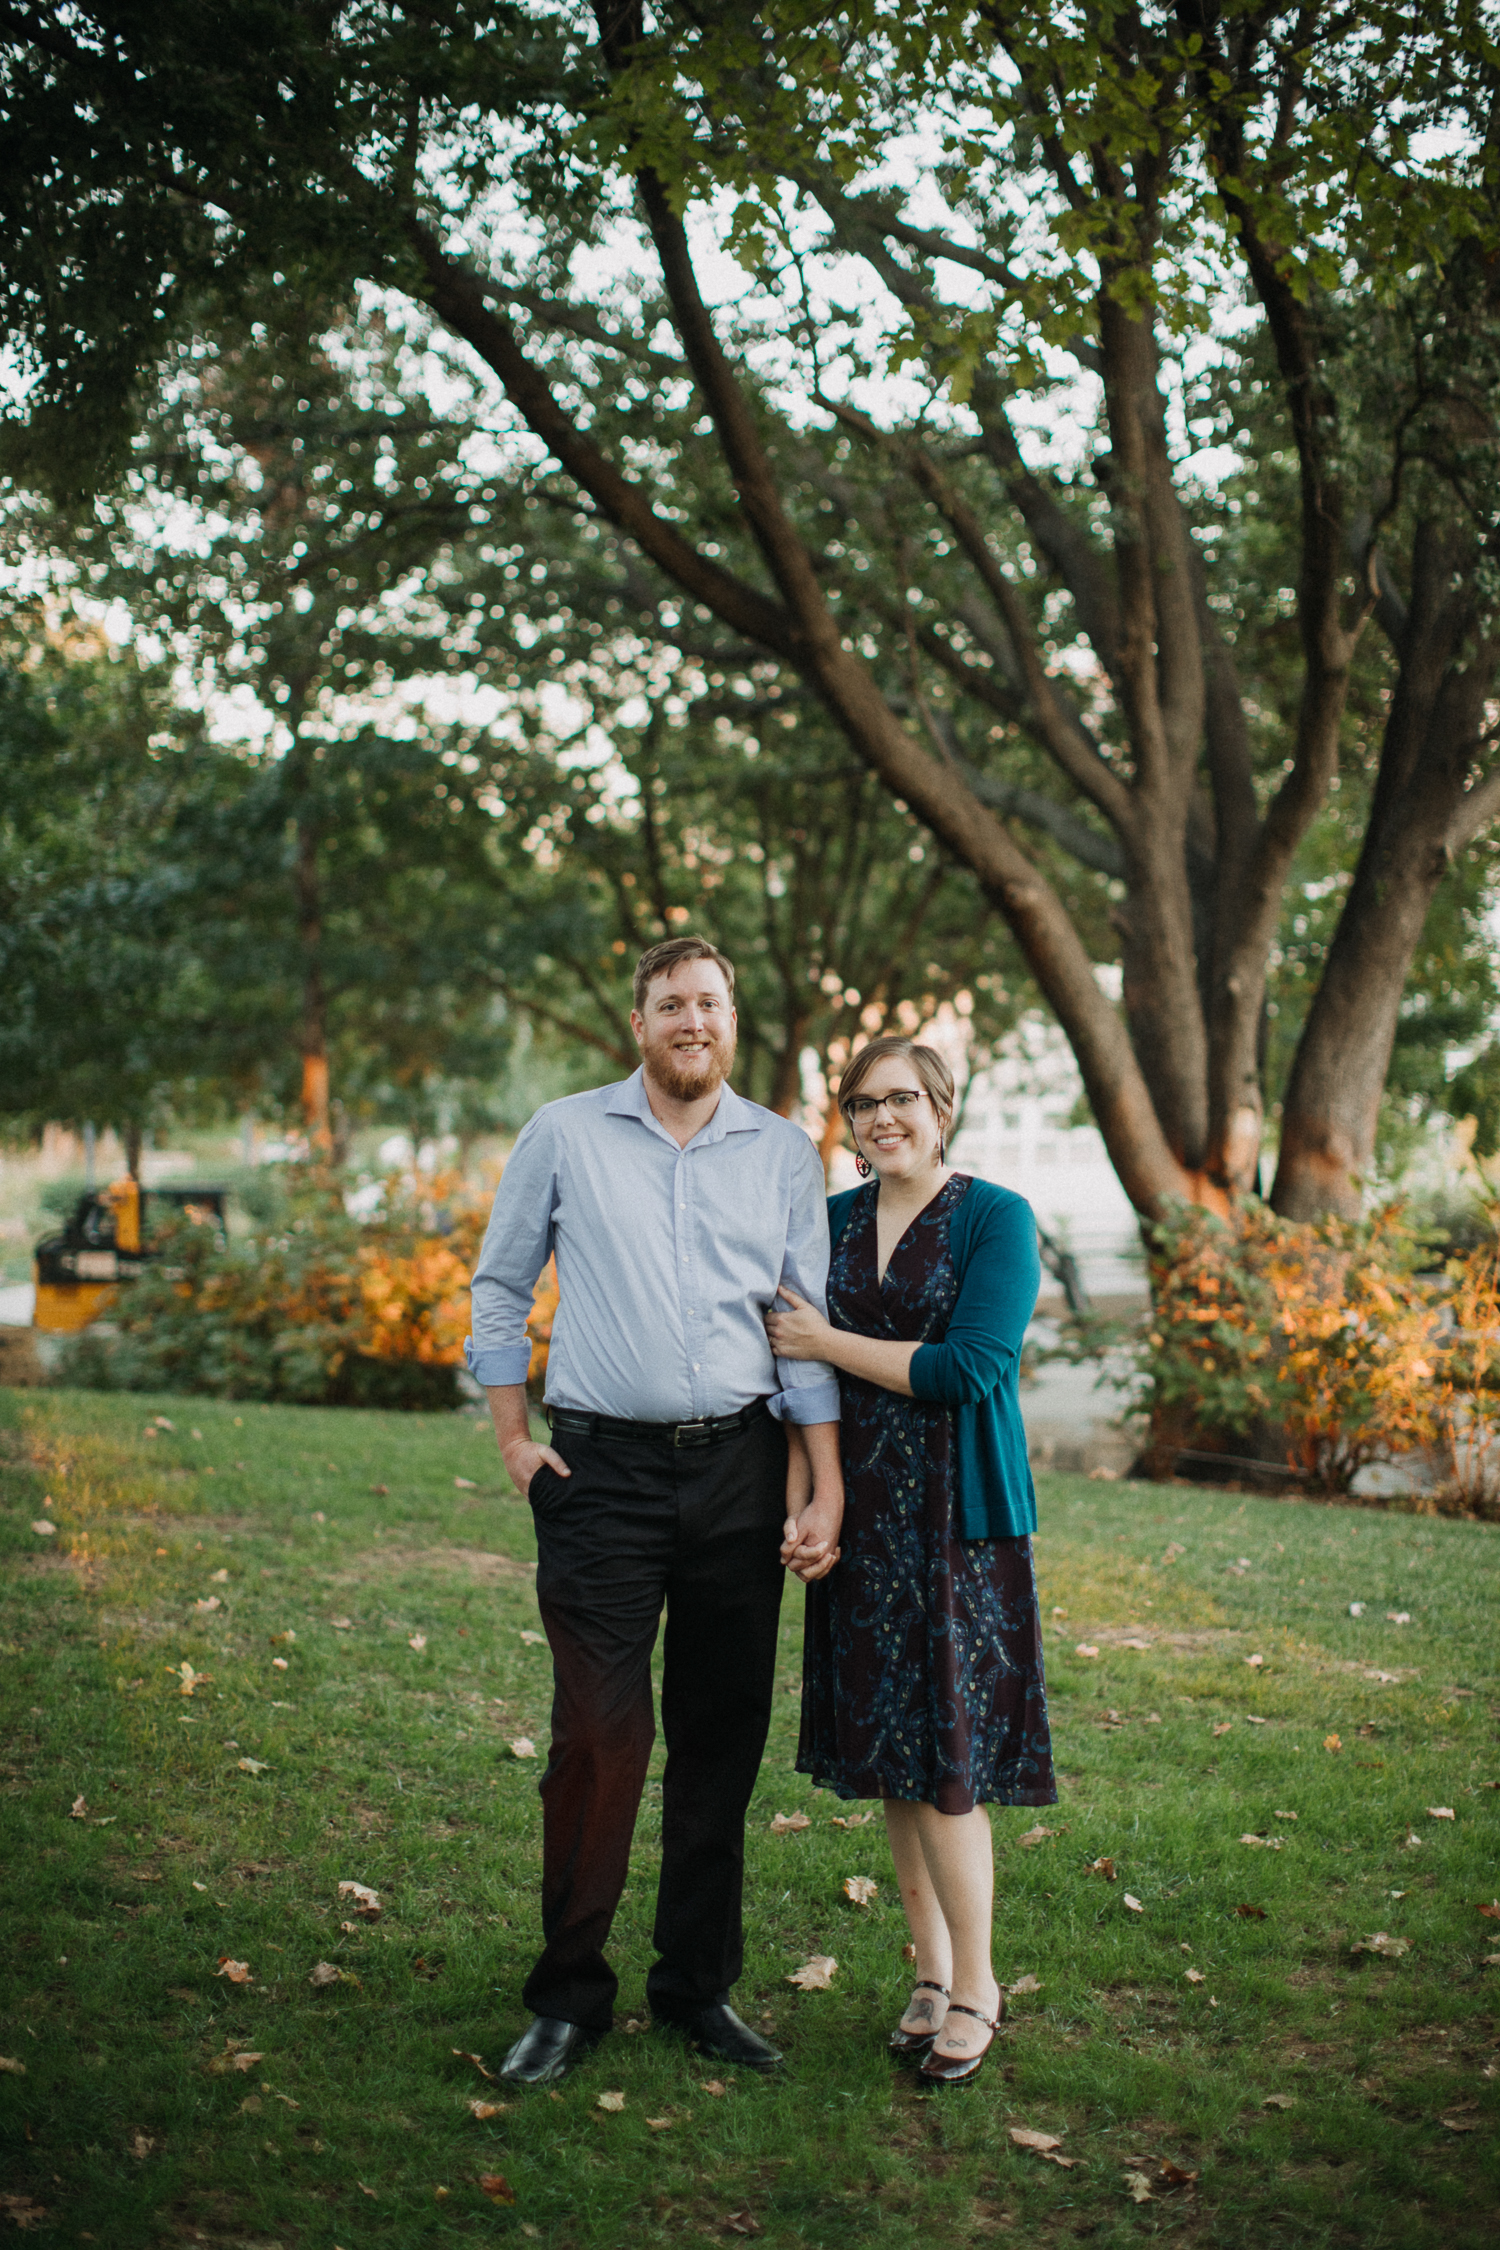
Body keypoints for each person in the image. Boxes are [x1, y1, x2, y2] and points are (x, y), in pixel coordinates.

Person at [467, 934, 844, 2088]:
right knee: (596, 1738)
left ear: (735, 1022)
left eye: (711, 1003)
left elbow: (803, 1323)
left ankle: (697, 1987)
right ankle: (569, 1998)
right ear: (641, 1023)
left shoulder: (783, 1152)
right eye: (672, 1003)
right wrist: (516, 1439)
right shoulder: (566, 1134)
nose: (693, 1020)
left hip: (739, 1468)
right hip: (600, 1480)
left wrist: (819, 1482)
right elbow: (499, 1281)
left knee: (720, 1741)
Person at [765, 1033, 1055, 2088]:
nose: (882, 1117)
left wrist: (827, 1342)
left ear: (941, 1108)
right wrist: (808, 1499)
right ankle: (929, 1972)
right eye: (863, 1103)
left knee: (949, 1763)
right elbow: (793, 1382)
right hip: (861, 1516)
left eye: (902, 1100)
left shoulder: (995, 1218)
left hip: (957, 1522)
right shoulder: (833, 1221)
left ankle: (979, 1984)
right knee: (894, 1757)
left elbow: (968, 1368)